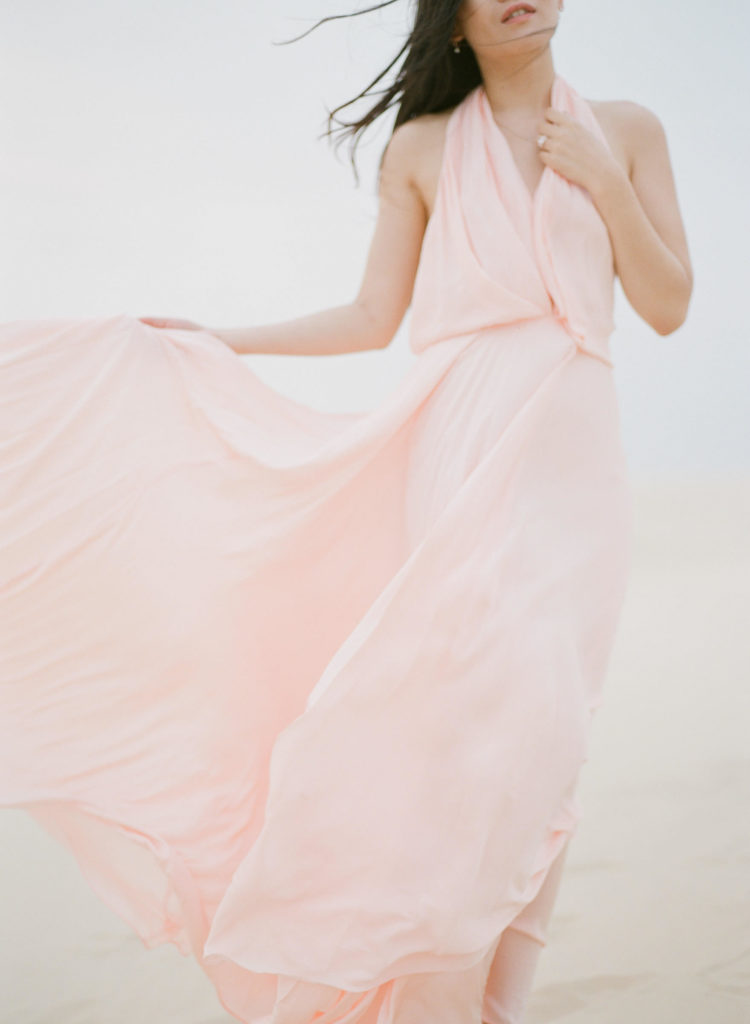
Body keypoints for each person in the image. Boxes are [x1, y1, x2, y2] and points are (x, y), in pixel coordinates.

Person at [0, 2, 692, 1022]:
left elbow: (669, 304)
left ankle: (486, 995)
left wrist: (596, 173)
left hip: (571, 459)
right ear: (451, 23)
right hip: (456, 440)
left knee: (543, 734)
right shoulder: (420, 149)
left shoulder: (626, 128)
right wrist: (218, 340)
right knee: (453, 728)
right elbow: (374, 318)